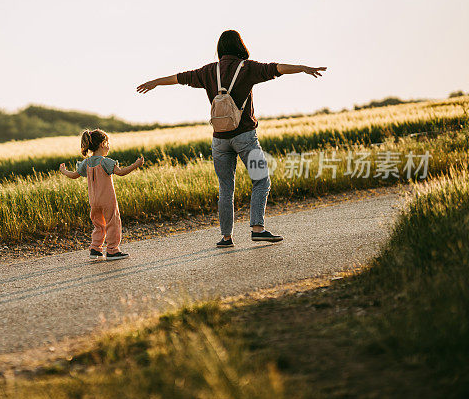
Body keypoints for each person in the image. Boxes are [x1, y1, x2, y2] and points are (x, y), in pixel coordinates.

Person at [136, 30, 326, 248]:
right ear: (240, 47)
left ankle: (226, 237)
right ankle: (258, 229)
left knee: (226, 187)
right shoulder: (247, 68)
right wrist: (303, 68)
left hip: (219, 140)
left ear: (220, 49)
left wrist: (155, 82)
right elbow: (276, 68)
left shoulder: (209, 71)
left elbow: (180, 78)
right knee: (261, 180)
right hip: (245, 137)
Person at [59, 129, 144, 260]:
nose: (109, 147)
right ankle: (112, 250)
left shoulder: (86, 163)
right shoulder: (105, 161)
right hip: (107, 200)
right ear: (102, 144)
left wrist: (64, 171)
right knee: (113, 223)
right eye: (108, 143)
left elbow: (74, 175)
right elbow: (121, 172)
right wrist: (136, 165)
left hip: (94, 201)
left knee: (99, 225)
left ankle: (95, 249)